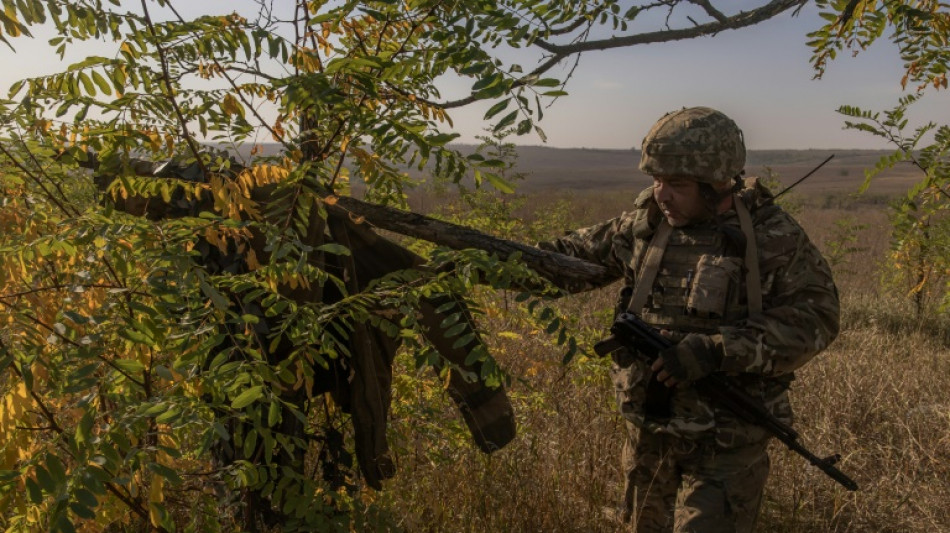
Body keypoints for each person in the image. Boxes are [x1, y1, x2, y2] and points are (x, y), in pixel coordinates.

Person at [538, 107, 840, 532]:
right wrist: (475, 259)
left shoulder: (772, 236)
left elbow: (817, 319)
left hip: (728, 440)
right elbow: (562, 261)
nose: (662, 195)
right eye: (656, 181)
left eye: (676, 184)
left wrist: (715, 351)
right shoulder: (646, 226)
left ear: (717, 183)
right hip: (649, 432)